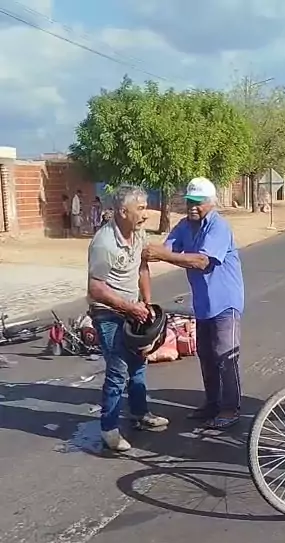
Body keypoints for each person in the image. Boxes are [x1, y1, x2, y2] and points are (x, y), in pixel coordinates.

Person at [144, 177, 244, 430]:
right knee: (206, 357)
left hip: (225, 303)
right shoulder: (184, 226)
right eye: (190, 201)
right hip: (203, 304)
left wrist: (163, 254)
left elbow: (202, 261)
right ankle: (212, 404)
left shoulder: (218, 227)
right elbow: (166, 249)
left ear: (211, 202)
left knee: (225, 357)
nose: (193, 207)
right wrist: (141, 250)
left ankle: (230, 409)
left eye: (198, 202)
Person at [87, 184, 169, 453]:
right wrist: (128, 307)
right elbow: (96, 288)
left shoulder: (138, 233)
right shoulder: (103, 243)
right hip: (108, 312)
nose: (146, 214)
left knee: (139, 362)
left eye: (146, 208)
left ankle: (140, 413)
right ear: (123, 211)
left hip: (133, 308)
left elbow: (142, 268)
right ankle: (109, 430)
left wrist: (146, 302)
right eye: (141, 208)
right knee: (118, 369)